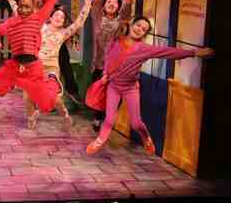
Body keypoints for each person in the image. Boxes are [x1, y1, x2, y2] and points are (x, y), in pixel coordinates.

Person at [86, 16, 215, 155]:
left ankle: (146, 138)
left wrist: (194, 53)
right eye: (138, 25)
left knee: (136, 123)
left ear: (145, 34)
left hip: (130, 88)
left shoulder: (143, 48)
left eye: (143, 29)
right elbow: (109, 56)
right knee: (109, 119)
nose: (139, 29)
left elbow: (168, 52)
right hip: (113, 86)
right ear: (132, 24)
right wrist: (106, 72)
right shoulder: (117, 39)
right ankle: (99, 141)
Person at [0, 0, 61, 116]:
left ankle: (52, 81)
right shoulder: (12, 22)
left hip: (33, 67)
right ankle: (8, 85)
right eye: (21, 6)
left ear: (33, 8)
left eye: (27, 7)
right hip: (15, 66)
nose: (23, 10)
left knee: (46, 105)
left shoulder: (38, 18)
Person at [35, 0, 92, 131]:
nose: (59, 18)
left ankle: (65, 116)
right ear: (50, 18)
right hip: (37, 65)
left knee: (55, 95)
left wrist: (86, 7)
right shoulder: (41, 27)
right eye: (57, 15)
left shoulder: (64, 33)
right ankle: (33, 114)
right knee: (32, 92)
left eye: (62, 17)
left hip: (52, 67)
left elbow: (78, 23)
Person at [90, 0, 136, 132]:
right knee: (99, 95)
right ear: (104, 6)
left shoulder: (121, 20)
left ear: (118, 7)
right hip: (99, 65)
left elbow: (128, 5)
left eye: (115, 2)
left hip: (117, 67)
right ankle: (98, 118)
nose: (111, 4)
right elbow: (96, 1)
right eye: (108, 2)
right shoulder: (97, 17)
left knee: (116, 97)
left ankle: (108, 120)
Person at [39, 0, 81, 106]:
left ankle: (72, 94)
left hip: (59, 45)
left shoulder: (60, 10)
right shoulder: (41, 10)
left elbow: (72, 25)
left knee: (66, 70)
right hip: (44, 48)